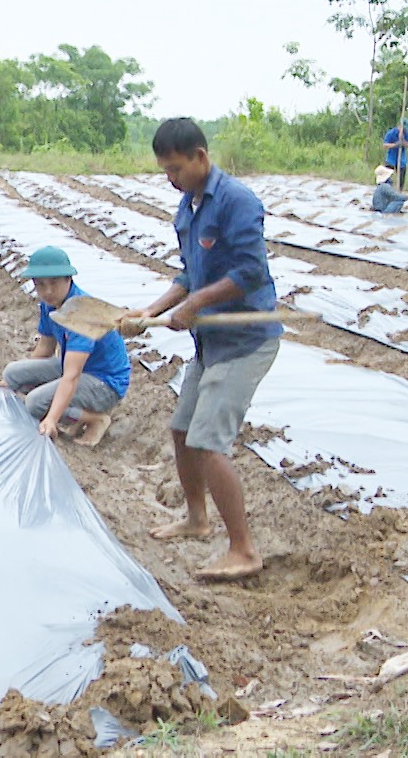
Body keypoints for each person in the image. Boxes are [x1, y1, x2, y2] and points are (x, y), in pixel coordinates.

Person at [128, 117, 282, 582]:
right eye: (164, 171)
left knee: (207, 443)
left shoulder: (237, 202)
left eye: (175, 168)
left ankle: (244, 550)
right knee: (181, 431)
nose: (170, 178)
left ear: (200, 156)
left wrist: (196, 304)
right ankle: (197, 518)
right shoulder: (187, 208)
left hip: (244, 342)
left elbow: (250, 274)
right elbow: (189, 274)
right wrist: (153, 311)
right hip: (210, 342)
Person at [1, 246, 131, 446]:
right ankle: (73, 410)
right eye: (41, 285)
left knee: (35, 403)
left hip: (105, 383)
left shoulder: (80, 313)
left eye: (54, 283)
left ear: (68, 279)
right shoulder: (49, 305)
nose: (48, 291)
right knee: (12, 373)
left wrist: (51, 419)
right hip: (77, 370)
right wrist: (14, 381)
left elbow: (72, 375)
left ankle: (96, 419)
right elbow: (45, 347)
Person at [380, 118, 408, 190]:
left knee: (401, 178)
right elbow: (385, 145)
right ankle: (386, 190)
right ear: (399, 126)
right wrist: (395, 144)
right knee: (386, 176)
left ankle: (399, 191)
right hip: (391, 158)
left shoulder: (407, 134)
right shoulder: (391, 133)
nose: (404, 130)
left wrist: (402, 139)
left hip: (401, 159)